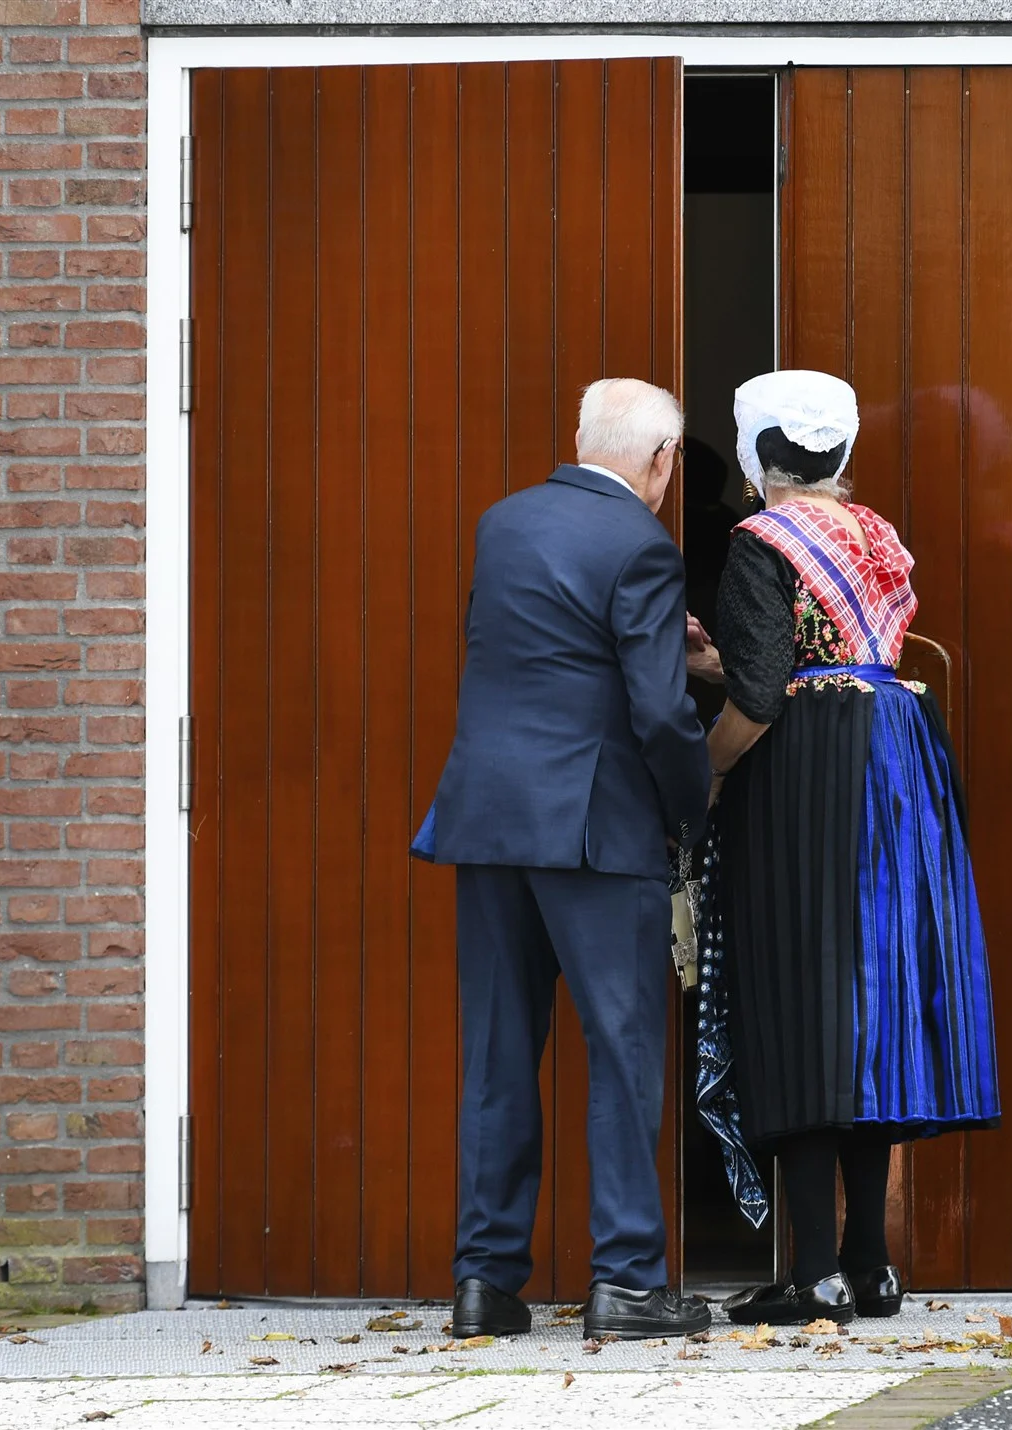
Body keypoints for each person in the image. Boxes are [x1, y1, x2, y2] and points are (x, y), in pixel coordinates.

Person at [695, 370, 1000, 1326]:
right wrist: (733, 661)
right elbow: (835, 654)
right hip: (896, 757)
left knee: (799, 996)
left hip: (808, 772)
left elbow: (761, 697)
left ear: (758, 453)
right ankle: (872, 1264)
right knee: (874, 1002)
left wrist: (704, 772)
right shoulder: (875, 533)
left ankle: (813, 1272)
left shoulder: (761, 540)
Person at [415, 378, 714, 1342]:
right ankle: (626, 1281)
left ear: (583, 438)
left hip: (487, 817)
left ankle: (485, 1284)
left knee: (498, 1052)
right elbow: (658, 712)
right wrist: (693, 809)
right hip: (594, 827)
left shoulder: (503, 523)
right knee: (621, 1053)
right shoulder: (642, 544)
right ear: (662, 460)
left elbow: (526, 651)